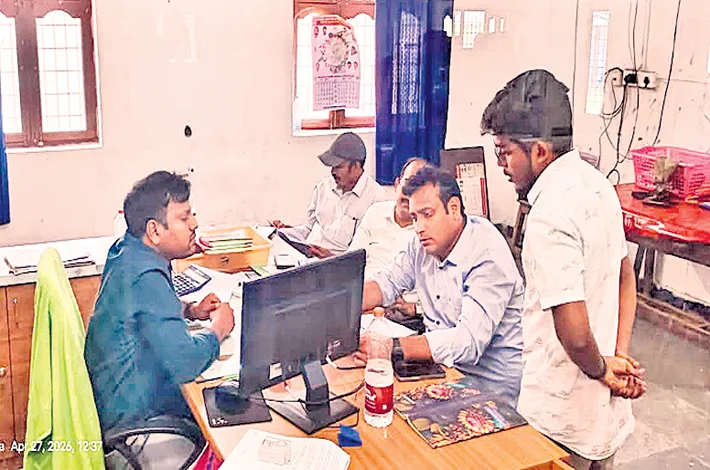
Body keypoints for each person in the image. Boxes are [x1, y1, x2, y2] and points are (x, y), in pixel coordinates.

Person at [480, 69, 646, 469]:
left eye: (505, 152)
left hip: (559, 419)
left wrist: (603, 369)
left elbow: (573, 332)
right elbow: (625, 277)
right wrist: (618, 357)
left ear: (539, 151)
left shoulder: (550, 216)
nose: (501, 164)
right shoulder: (598, 185)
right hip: (601, 415)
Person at [85, 171, 235, 433]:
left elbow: (142, 309)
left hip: (119, 401)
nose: (195, 224)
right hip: (139, 424)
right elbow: (186, 362)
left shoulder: (127, 250)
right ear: (154, 230)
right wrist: (219, 328)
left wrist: (190, 310)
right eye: (184, 218)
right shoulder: (146, 276)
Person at [361, 166, 525, 405]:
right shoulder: (420, 245)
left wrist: (390, 347)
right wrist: (343, 306)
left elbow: (468, 342)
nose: (419, 227)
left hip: (489, 391)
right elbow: (387, 282)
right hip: (440, 372)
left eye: (427, 214)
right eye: (415, 218)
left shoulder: (487, 253)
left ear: (454, 209)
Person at [272, 132, 386, 258]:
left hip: (339, 266)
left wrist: (332, 259)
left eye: (338, 166)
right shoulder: (323, 188)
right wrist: (289, 232)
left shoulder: (376, 199)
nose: (333, 171)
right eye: (332, 167)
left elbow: (371, 255)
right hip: (307, 259)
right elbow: (309, 230)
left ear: (356, 166)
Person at [350, 157, 427, 318]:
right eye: (408, 183)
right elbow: (352, 262)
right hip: (360, 299)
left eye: (419, 187)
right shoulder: (375, 212)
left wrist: (417, 308)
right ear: (397, 183)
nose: (410, 193)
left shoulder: (426, 231)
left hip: (397, 313)